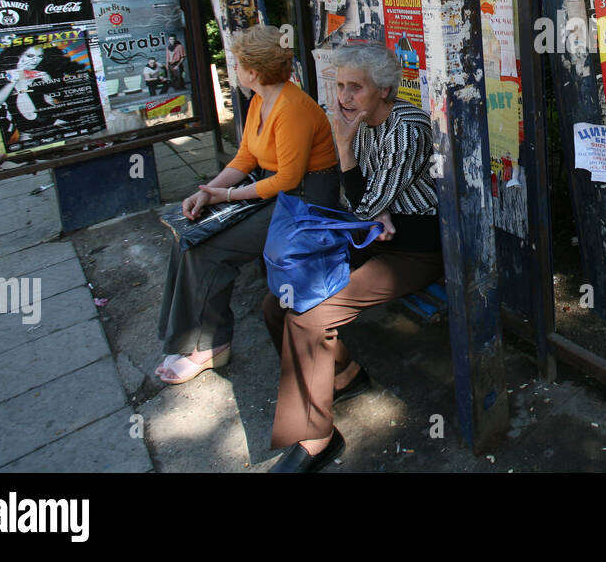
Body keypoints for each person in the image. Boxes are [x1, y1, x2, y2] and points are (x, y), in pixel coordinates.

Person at [262, 43, 442, 472]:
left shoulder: (406, 127)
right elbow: (357, 200)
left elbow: (362, 201)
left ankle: (317, 437)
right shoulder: (361, 120)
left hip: (415, 250)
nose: (343, 97)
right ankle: (345, 374)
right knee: (277, 302)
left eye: (354, 88)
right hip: (371, 239)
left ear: (383, 90)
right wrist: (376, 208)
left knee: (310, 319)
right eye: (340, 86)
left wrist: (345, 148)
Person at [155, 24, 339, 385]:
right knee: (188, 234)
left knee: (209, 250)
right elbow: (245, 158)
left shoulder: (292, 107)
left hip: (305, 201)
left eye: (237, 64)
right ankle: (184, 336)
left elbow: (286, 179)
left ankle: (210, 344)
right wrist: (208, 191)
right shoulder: (259, 99)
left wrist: (224, 196)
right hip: (275, 192)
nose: (233, 70)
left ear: (253, 71)